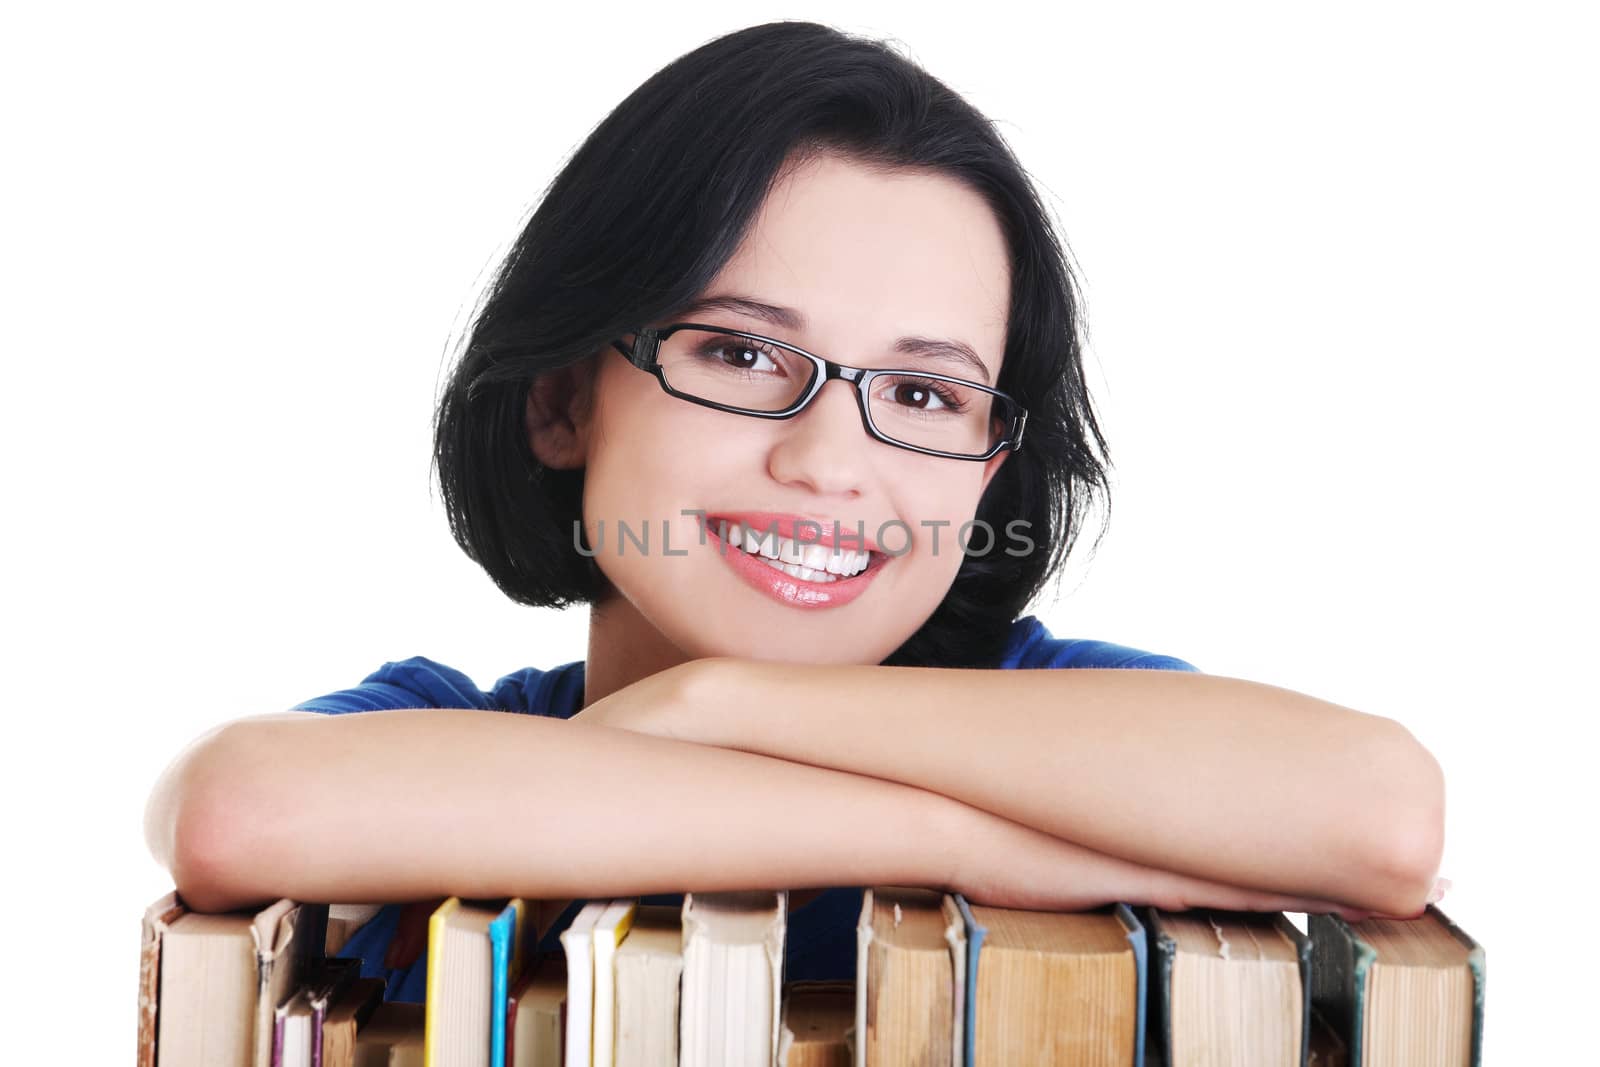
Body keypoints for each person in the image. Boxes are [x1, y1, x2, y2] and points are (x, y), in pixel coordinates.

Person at [142, 20, 1447, 1005]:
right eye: (741, 355)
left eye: (929, 393)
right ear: (561, 403)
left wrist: (718, 709)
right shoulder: (452, 737)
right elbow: (238, 815)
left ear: (990, 466)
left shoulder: (1055, 721)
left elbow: (1383, 816)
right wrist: (971, 843)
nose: (831, 463)